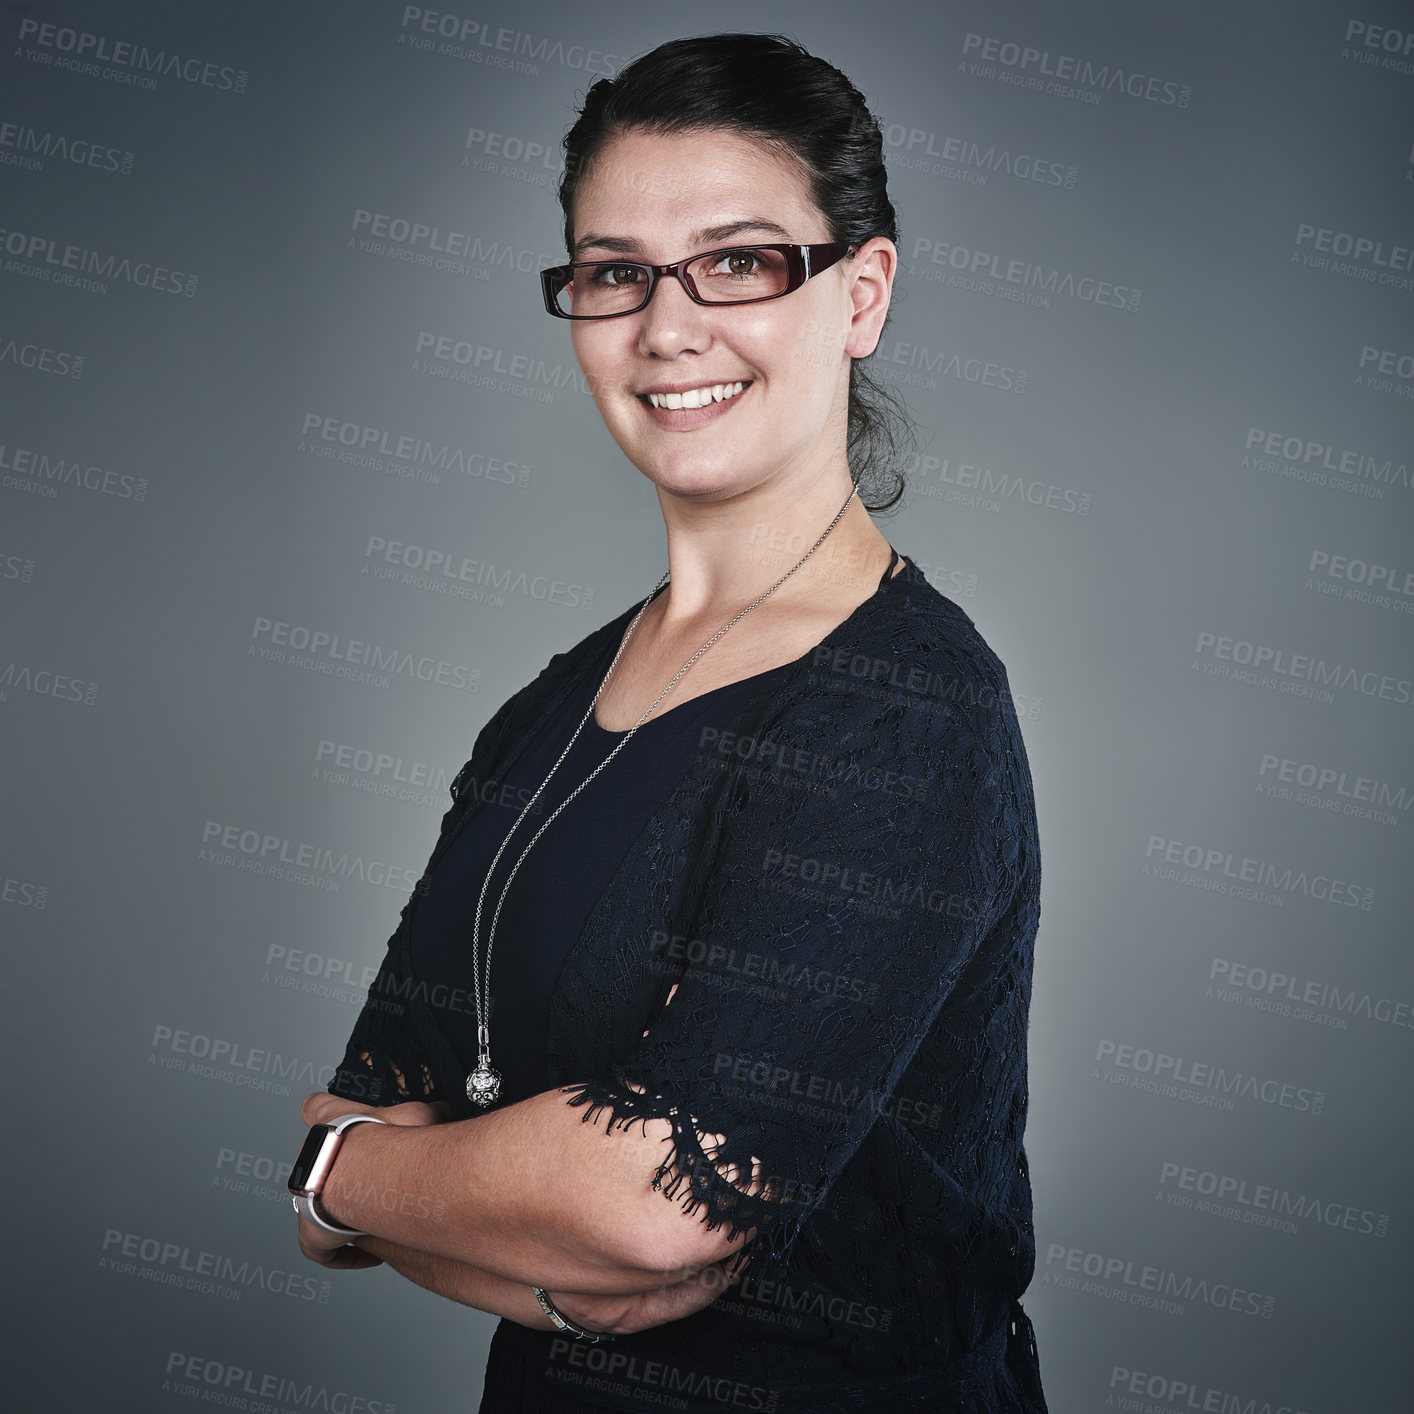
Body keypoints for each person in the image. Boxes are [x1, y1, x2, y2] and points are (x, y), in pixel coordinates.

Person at [290, 33, 1047, 1414]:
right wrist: (362, 1182)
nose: (667, 326)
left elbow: (653, 1215)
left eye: (740, 260)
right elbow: (356, 1117)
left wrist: (369, 1189)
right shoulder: (547, 703)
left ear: (860, 292)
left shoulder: (904, 712)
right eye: (614, 269)